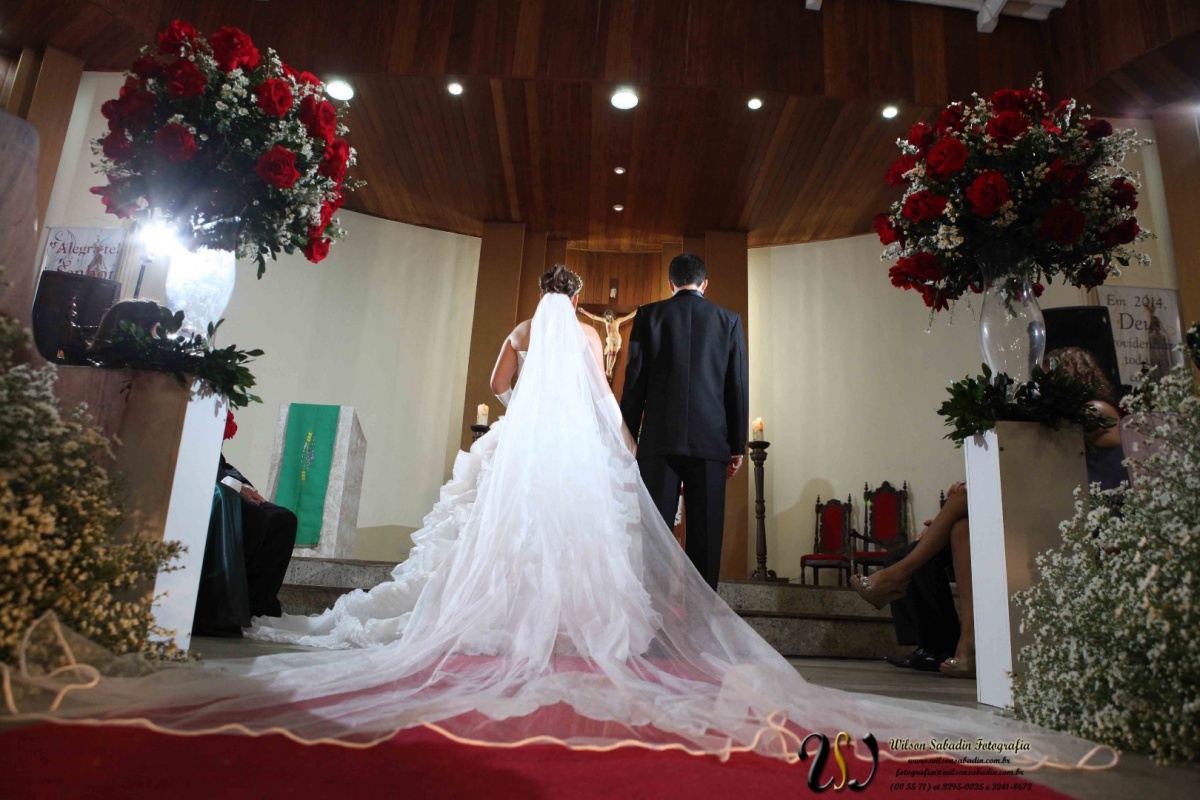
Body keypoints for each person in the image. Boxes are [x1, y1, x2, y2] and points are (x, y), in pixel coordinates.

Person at [5, 265, 1107, 773]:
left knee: (494, 526)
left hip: (529, 450)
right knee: (591, 540)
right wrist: (621, 440)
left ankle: (495, 618)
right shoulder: (592, 335)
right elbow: (605, 391)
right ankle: (603, 628)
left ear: (536, 294)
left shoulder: (533, 334)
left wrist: (542, 391)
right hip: (586, 460)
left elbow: (494, 385)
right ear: (582, 296)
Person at [855, 347, 1128, 678]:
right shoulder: (1067, 418)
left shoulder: (1097, 410)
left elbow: (1034, 457)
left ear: (1072, 375)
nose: (1041, 385)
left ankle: (898, 574)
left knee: (959, 501)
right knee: (960, 529)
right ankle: (968, 647)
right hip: (1059, 507)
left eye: (1048, 375)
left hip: (1095, 515)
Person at [619, 253, 749, 590]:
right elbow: (736, 386)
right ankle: (701, 623)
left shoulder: (648, 315)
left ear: (670, 283)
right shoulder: (729, 320)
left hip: (658, 442)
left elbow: (634, 383)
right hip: (710, 443)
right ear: (705, 283)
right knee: (705, 539)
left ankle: (656, 620)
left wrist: (628, 437)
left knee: (656, 539)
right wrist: (736, 446)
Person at [215, 452, 298, 620]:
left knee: (284, 519)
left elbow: (222, 463)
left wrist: (244, 486)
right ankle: (233, 604)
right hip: (211, 486)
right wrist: (236, 487)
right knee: (254, 516)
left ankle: (260, 606)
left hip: (223, 478)